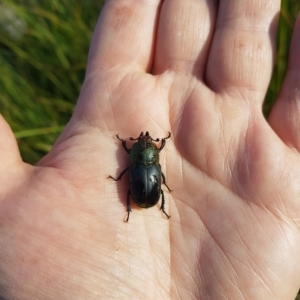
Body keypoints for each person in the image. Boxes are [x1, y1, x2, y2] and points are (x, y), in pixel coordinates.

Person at [0, 1, 300, 299]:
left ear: (141, 154)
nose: (144, 141)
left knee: (131, 185)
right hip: (151, 193)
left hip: (146, 192)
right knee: (140, 186)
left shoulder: (134, 161)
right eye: (146, 143)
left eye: (145, 143)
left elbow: (129, 161)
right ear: (150, 154)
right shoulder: (146, 160)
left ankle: (146, 208)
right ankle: (155, 208)